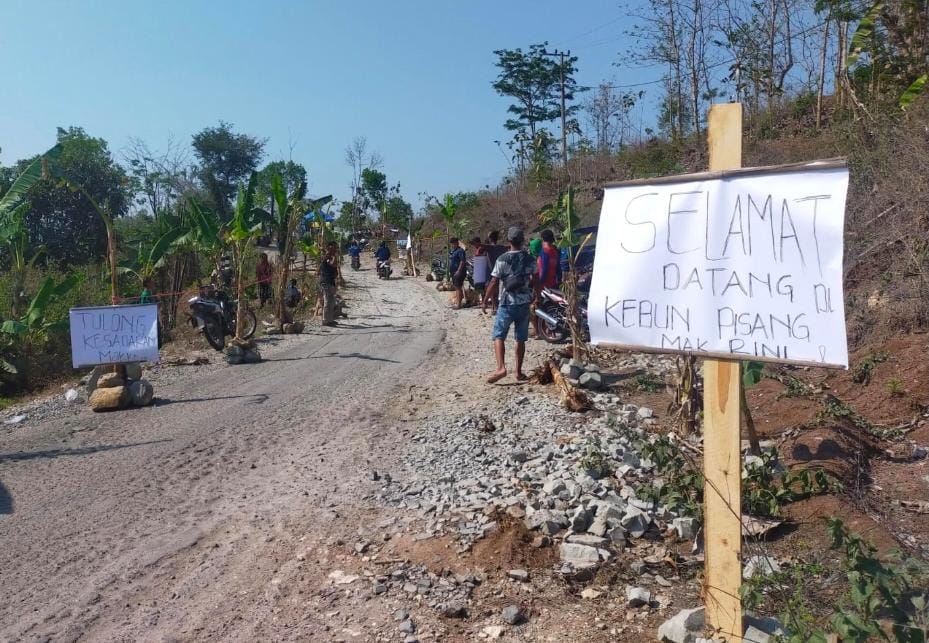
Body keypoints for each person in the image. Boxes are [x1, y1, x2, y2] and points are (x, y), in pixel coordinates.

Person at [482, 227, 538, 384]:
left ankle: (501, 368)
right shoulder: (529, 258)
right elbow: (536, 279)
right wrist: (537, 296)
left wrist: (485, 300)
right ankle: (518, 373)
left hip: (507, 303)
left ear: (509, 241)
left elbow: (493, 281)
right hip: (524, 303)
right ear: (523, 241)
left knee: (498, 335)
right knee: (520, 339)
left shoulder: (502, 259)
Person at [319, 241, 339, 327]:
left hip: (331, 282)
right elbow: (333, 265)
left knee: (331, 302)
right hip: (326, 282)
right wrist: (334, 257)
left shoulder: (330, 257)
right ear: (329, 249)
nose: (335, 250)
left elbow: (334, 268)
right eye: (333, 248)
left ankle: (330, 320)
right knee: (327, 301)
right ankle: (325, 320)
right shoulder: (326, 258)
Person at [448, 237, 467, 309]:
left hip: (459, 272)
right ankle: (458, 302)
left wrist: (459, 271)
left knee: (458, 287)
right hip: (454, 272)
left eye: (454, 244)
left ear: (457, 243)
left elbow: (462, 261)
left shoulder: (460, 251)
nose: (452, 245)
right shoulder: (453, 251)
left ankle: (459, 305)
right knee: (456, 287)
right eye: (451, 244)